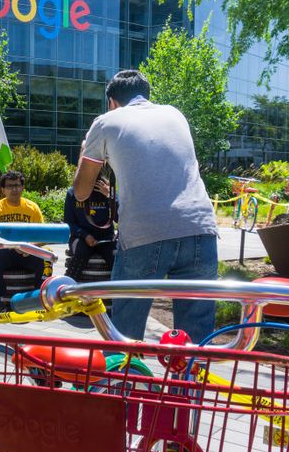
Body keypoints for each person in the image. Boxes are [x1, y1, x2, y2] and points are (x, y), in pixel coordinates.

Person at [74, 70, 218, 343]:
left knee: (123, 336)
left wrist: (86, 151)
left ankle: (122, 384)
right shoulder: (175, 114)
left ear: (112, 102)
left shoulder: (105, 122)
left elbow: (81, 192)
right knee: (196, 343)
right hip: (201, 228)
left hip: (144, 235)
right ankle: (188, 384)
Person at [0, 170, 44, 312]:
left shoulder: (33, 208)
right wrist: (13, 245)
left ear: (23, 187)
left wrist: (29, 247)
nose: (14, 189)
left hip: (28, 252)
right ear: (3, 190)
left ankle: (36, 297)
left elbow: (42, 235)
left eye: (17, 185)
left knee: (41, 255)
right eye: (10, 186)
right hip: (6, 252)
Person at [63, 173, 116, 278]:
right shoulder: (72, 193)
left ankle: (120, 290)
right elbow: (69, 223)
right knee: (81, 252)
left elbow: (120, 217)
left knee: (116, 258)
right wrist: (84, 235)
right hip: (81, 237)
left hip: (105, 238)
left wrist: (111, 196)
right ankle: (68, 284)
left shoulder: (108, 190)